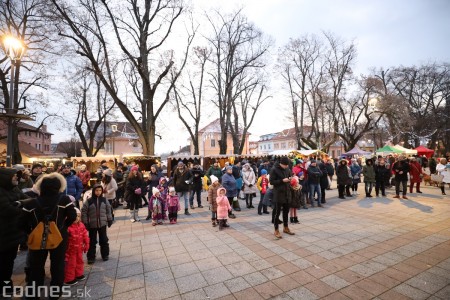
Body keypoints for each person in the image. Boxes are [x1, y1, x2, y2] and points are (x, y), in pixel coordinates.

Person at [20, 172, 77, 297]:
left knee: (36, 265)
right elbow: (73, 216)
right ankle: (55, 293)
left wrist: (31, 231)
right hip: (59, 237)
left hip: (37, 238)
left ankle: (34, 292)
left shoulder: (31, 203)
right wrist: (63, 227)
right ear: (59, 186)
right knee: (57, 264)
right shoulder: (64, 199)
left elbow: (21, 221)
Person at [0, 168, 25, 297]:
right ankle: (5, 287)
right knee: (4, 263)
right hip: (4, 234)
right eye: (14, 176)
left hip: (13, 233)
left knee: (9, 262)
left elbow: (27, 200)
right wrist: (20, 207)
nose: (16, 178)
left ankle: (6, 286)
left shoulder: (14, 189)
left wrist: (18, 203)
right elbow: (7, 210)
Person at [81, 184, 112, 264]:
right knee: (92, 241)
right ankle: (91, 257)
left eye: (100, 190)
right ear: (93, 191)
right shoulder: (89, 201)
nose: (98, 192)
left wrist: (109, 219)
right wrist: (85, 222)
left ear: (102, 191)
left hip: (102, 224)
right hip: (92, 225)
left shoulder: (104, 200)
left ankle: (105, 255)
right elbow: (84, 211)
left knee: (104, 240)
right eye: (96, 190)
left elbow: (109, 210)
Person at [270, 156, 295, 239]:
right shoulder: (274, 169)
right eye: (285, 165)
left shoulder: (287, 168)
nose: (287, 166)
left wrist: (290, 178)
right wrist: (281, 181)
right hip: (278, 194)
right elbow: (272, 181)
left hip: (287, 193)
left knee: (286, 212)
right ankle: (276, 230)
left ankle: (286, 227)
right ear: (281, 164)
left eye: (287, 165)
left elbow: (289, 176)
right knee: (277, 213)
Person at [64, 207, 89, 285]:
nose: (76, 218)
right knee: (71, 264)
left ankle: (79, 274)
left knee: (79, 261)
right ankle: (69, 279)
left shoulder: (81, 225)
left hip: (79, 248)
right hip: (70, 250)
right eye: (74, 216)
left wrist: (87, 244)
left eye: (78, 216)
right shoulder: (68, 227)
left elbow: (85, 235)